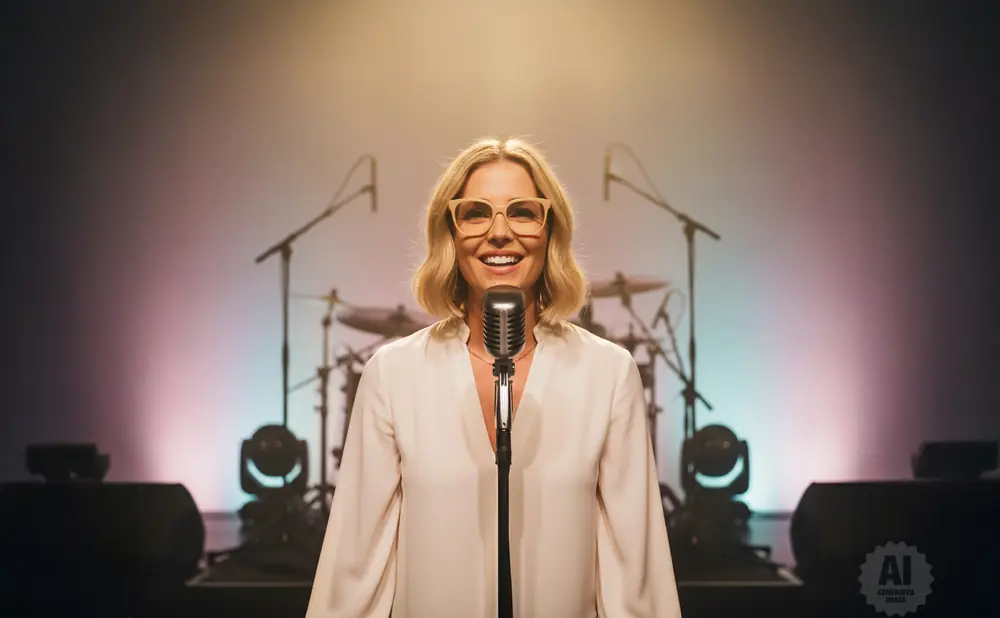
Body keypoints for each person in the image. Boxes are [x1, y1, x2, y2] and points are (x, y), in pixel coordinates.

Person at [306, 137, 682, 617]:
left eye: (523, 212)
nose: (500, 233)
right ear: (450, 233)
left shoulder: (607, 373)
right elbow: (354, 568)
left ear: (550, 232)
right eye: (476, 213)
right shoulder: (393, 374)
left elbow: (635, 575)